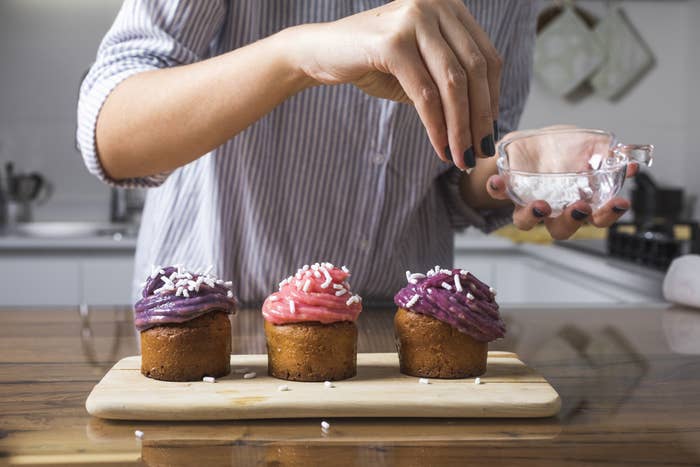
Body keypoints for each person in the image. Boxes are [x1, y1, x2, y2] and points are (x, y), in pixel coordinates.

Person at [77, 0, 632, 304]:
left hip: (398, 335)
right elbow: (112, 137)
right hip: (214, 329)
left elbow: (460, 177)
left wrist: (517, 168)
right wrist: (298, 54)